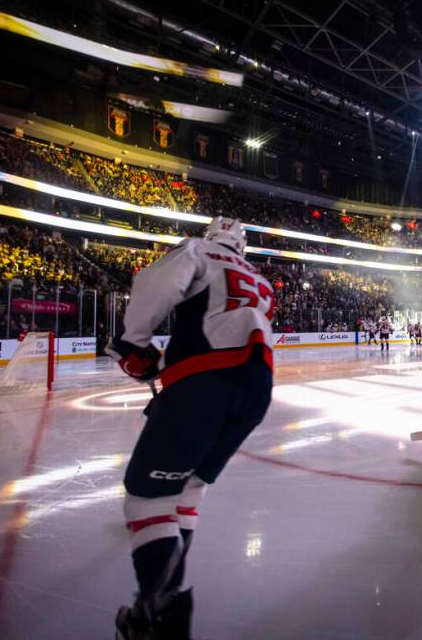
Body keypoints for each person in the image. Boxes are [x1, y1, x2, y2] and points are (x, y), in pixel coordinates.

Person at [106, 217, 274, 639]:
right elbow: (225, 328)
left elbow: (156, 283)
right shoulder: (260, 278)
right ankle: (160, 610)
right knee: (188, 489)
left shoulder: (198, 249)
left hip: (206, 383)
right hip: (255, 390)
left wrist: (135, 341)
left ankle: (158, 621)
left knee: (147, 499)